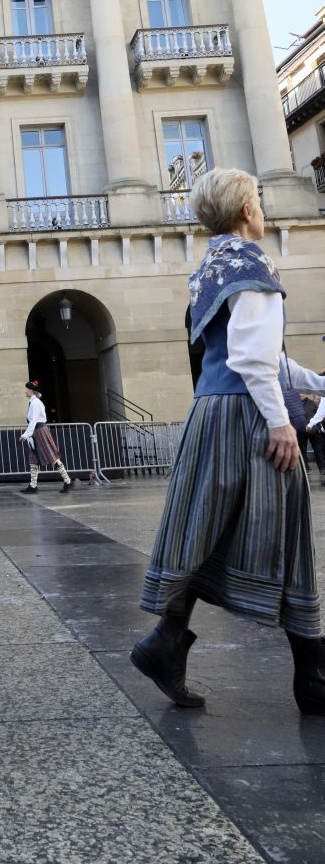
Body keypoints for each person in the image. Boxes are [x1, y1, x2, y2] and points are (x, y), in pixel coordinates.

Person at [132, 168, 325, 713]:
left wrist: (318, 383)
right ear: (246, 211)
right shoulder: (252, 262)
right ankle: (312, 674)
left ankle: (166, 643)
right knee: (283, 533)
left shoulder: (212, 266)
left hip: (212, 412)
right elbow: (252, 358)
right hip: (245, 414)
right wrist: (281, 423)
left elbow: (259, 355)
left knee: (206, 528)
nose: (263, 209)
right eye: (259, 200)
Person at [18, 380, 73, 494]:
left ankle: (67, 481)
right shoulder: (33, 402)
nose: (26, 391)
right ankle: (33, 486)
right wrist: (29, 434)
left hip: (40, 431)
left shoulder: (36, 403)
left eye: (27, 389)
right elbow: (32, 422)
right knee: (33, 459)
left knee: (52, 457)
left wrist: (26, 434)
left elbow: (33, 421)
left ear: (31, 391)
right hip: (36, 432)